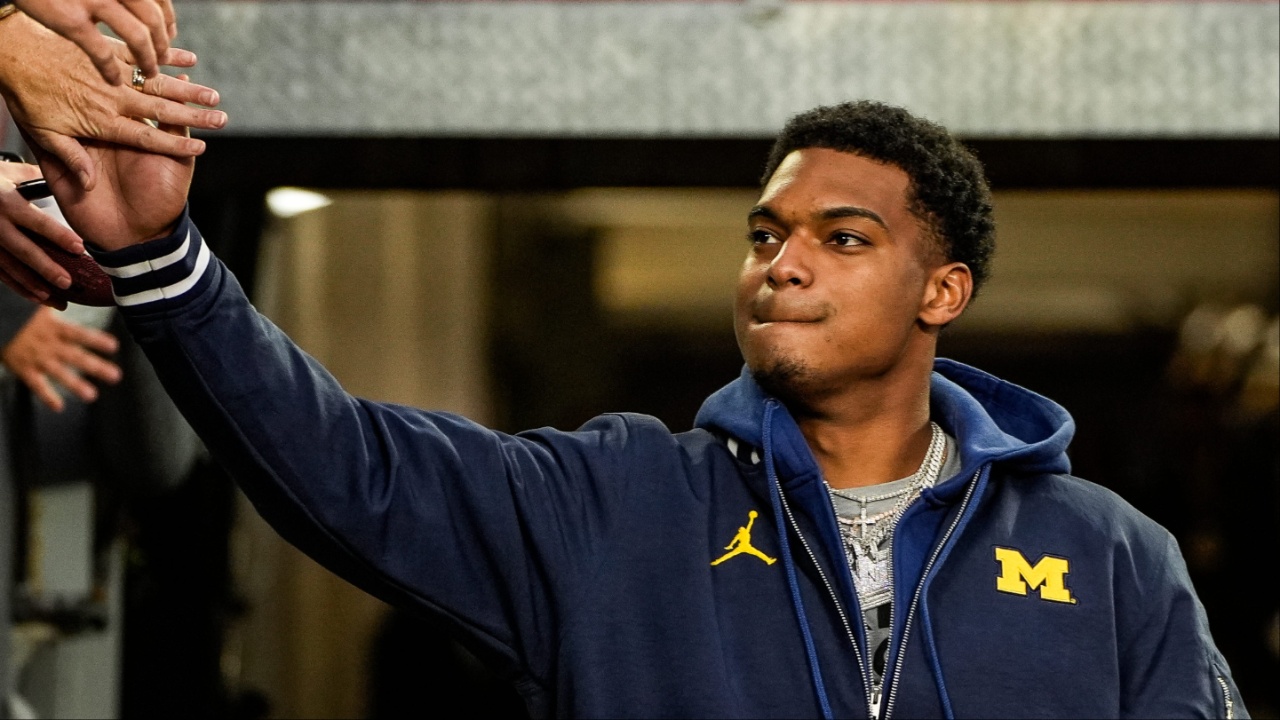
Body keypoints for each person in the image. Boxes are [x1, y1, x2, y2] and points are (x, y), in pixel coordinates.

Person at [5, 93, 1249, 717]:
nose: (782, 262)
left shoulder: (1107, 558)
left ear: (943, 290)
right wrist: (166, 261)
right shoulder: (614, 504)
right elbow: (347, 468)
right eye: (765, 233)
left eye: (841, 236)